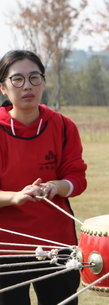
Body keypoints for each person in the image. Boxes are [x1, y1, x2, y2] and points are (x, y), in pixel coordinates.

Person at [0, 50, 87, 305]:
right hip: (6, 246)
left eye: (34, 78)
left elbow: (77, 179)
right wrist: (16, 197)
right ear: (4, 88)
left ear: (44, 82)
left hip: (56, 243)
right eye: (17, 80)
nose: (27, 86)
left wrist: (56, 186)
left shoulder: (63, 126)